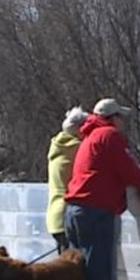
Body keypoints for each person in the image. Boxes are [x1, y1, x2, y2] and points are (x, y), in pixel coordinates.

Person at [63, 97, 140, 280]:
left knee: (75, 272)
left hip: (74, 209)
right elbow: (131, 172)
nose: (124, 123)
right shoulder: (109, 136)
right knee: (96, 272)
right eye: (121, 117)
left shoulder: (88, 138)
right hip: (96, 211)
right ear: (112, 118)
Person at [46, 107, 89, 253]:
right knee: (70, 270)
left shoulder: (59, 146)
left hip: (54, 214)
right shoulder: (78, 148)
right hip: (66, 213)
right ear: (79, 129)